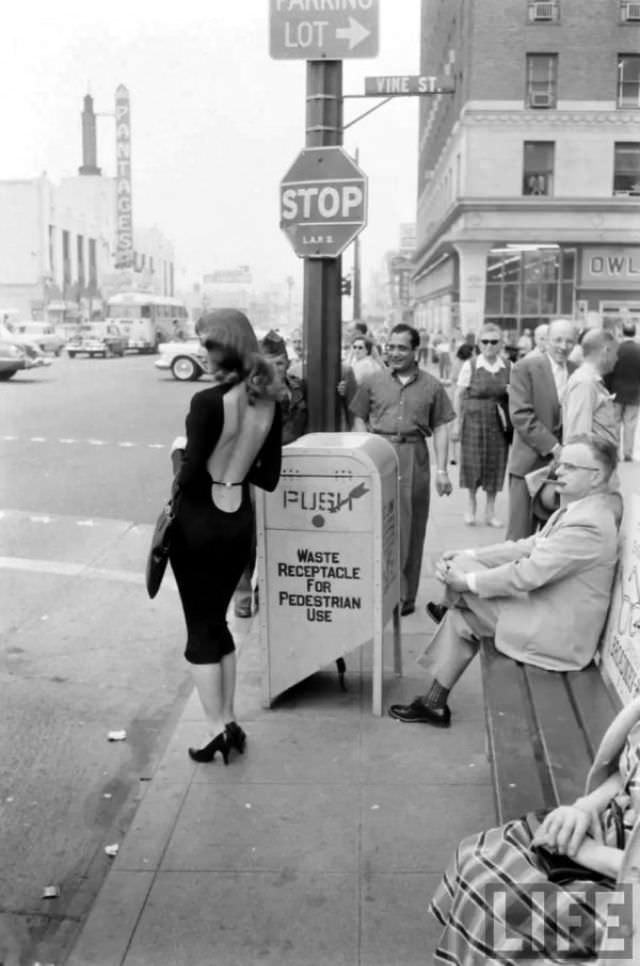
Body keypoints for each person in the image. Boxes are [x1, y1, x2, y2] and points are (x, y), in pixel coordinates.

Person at [389, 435, 620, 727]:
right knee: (463, 604)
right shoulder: (579, 508)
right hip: (548, 612)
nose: (558, 472)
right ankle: (433, 703)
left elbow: (528, 573)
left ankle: (450, 604)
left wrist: (466, 582)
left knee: (464, 597)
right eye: (559, 465)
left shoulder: (589, 523)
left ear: (596, 476)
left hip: (559, 637)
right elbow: (528, 546)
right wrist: (471, 552)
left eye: (569, 467)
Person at [430, 694, 640, 965]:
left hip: (626, 889)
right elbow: (627, 773)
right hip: (617, 835)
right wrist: (585, 807)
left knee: (503, 909)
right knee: (478, 857)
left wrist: (587, 852)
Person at [169, 309, 282, 764]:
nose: (202, 351)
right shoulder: (271, 401)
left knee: (199, 630)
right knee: (219, 625)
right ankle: (230, 721)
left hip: (198, 523)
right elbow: (270, 476)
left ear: (229, 347)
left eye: (208, 343)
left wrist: (180, 455)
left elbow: (192, 476)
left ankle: (215, 729)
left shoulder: (207, 402)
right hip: (238, 521)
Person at [349, 323, 455, 617]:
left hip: (414, 456)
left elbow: (441, 427)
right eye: (390, 346)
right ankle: (376, 588)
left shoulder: (432, 386)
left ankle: (405, 596)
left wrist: (442, 470)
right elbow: (358, 416)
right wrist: (362, 450)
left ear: (415, 350)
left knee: (411, 527)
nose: (394, 352)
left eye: (401, 347)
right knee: (374, 523)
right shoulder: (373, 381)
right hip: (378, 452)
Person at [233, 329, 307, 618]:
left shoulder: (300, 388)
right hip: (257, 472)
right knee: (248, 536)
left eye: (279, 361)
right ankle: (241, 598)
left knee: (279, 537)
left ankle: (266, 592)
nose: (274, 368)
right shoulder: (247, 393)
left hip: (292, 472)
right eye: (267, 362)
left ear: (288, 362)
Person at [506, 318, 577, 540]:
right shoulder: (525, 368)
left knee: (554, 539)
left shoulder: (577, 371)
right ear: (545, 341)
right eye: (558, 340)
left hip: (562, 471)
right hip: (528, 465)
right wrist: (554, 447)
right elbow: (521, 415)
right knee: (519, 538)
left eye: (569, 341)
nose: (563, 347)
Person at [454, 323, 511, 527]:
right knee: (473, 462)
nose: (489, 346)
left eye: (494, 342)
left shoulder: (507, 366)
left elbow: (513, 394)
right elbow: (459, 394)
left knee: (495, 463)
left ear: (501, 344)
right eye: (485, 342)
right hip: (474, 419)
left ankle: (490, 511)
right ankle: (471, 505)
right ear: (478, 343)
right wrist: (456, 424)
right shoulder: (470, 365)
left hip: (497, 421)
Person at [562, 329, 618, 448]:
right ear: (606, 351)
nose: (617, 359)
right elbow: (578, 439)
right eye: (615, 353)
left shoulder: (591, 381)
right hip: (591, 464)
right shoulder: (585, 383)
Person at [605, 321, 640, 461]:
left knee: (614, 423)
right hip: (634, 393)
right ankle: (628, 453)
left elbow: (608, 371)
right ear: (635, 332)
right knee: (630, 424)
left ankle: (615, 452)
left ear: (622, 332)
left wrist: (607, 389)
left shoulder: (615, 348)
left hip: (615, 391)